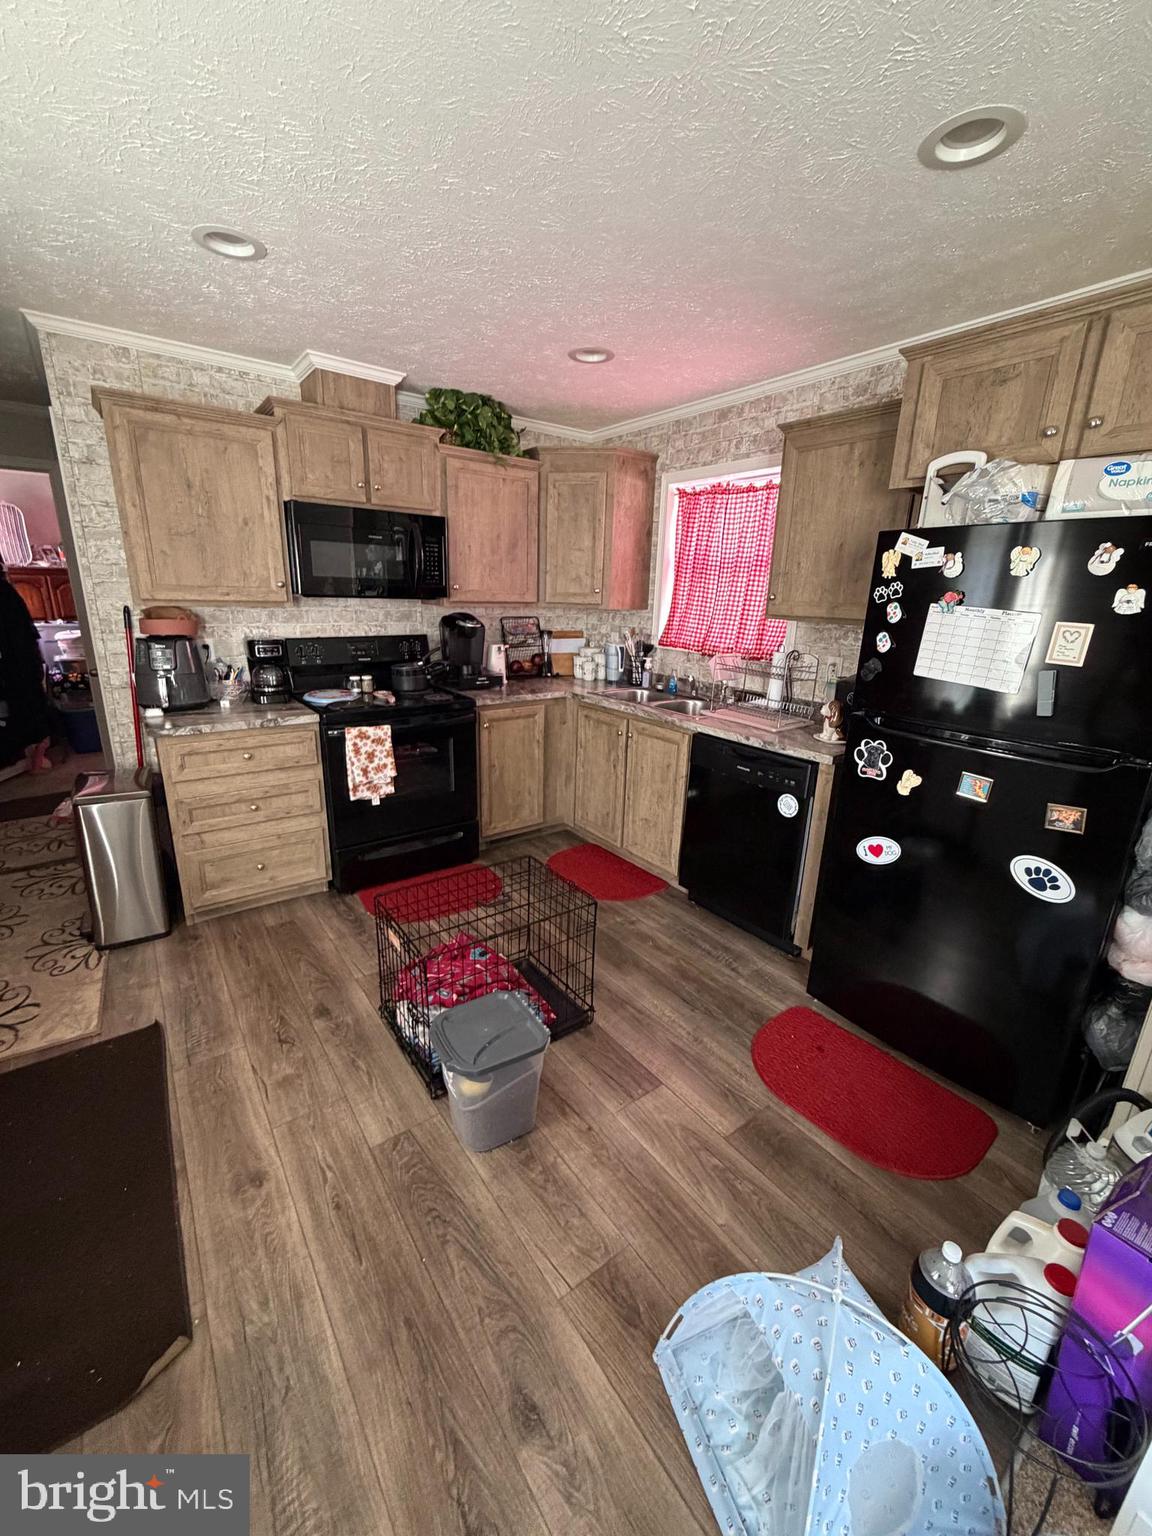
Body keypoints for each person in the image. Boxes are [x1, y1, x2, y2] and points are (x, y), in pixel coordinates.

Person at [0, 564, 53, 773]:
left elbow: (23, 637)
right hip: (18, 666)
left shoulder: (6, 595)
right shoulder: (7, 593)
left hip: (18, 666)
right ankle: (34, 755)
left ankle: (36, 755)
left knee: (27, 705)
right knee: (26, 706)